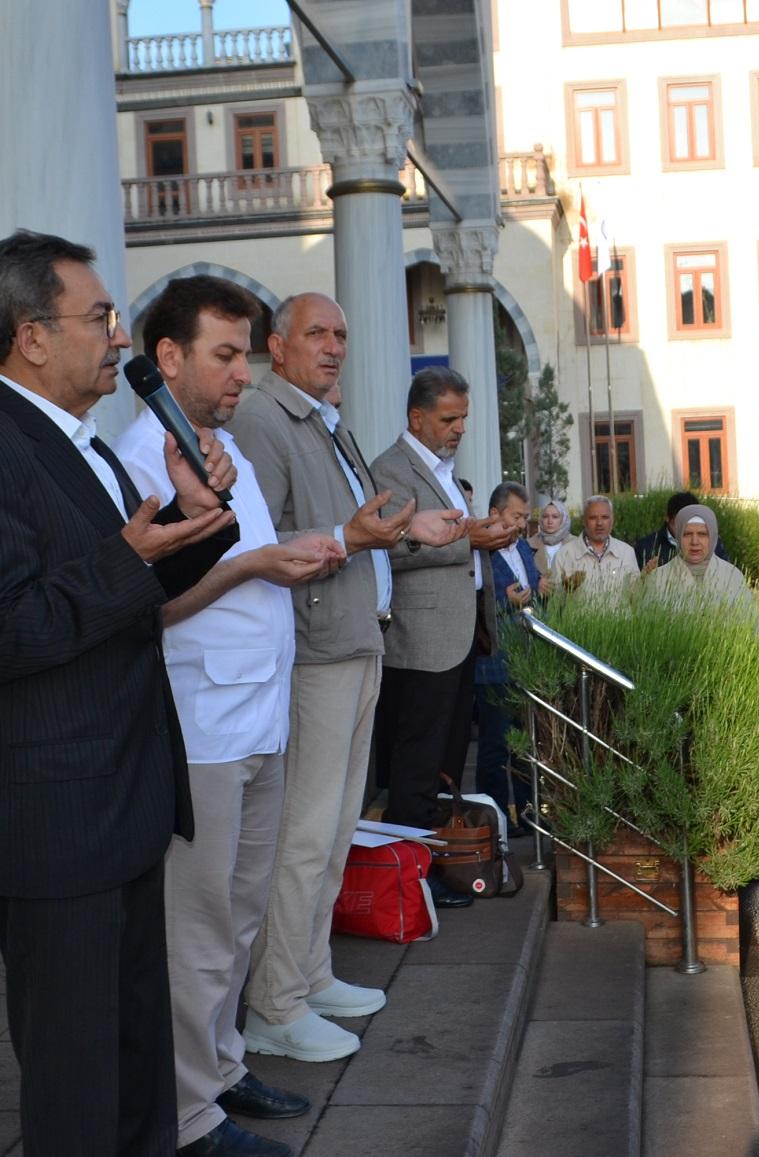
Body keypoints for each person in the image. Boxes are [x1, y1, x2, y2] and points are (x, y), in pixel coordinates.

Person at [0, 232, 238, 1154]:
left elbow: (128, 590)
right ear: (30, 336)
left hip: (121, 798)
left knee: (136, 1058)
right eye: (98, 317)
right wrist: (128, 557)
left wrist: (192, 520)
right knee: (75, 1084)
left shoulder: (74, 442)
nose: (118, 335)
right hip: (56, 820)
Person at [117, 278, 348, 1157]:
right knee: (200, 924)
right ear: (168, 357)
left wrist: (291, 558)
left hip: (258, 714)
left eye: (246, 353)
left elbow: (246, 562)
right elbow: (152, 605)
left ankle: (220, 1064)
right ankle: (185, 1113)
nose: (242, 372)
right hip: (203, 722)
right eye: (224, 353)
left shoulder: (226, 451)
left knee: (240, 915)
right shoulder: (145, 459)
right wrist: (258, 565)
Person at [226, 293, 464, 1064]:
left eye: (342, 334)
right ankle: (274, 1004)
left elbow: (355, 530)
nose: (334, 347)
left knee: (332, 832)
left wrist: (409, 528)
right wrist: (351, 535)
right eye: (317, 334)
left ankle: (310, 973)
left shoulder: (324, 417)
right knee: (302, 835)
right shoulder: (264, 421)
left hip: (355, 642)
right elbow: (250, 540)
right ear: (278, 344)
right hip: (315, 651)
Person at [370, 367, 517, 883]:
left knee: (448, 764)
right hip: (419, 643)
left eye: (464, 419)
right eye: (448, 419)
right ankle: (409, 881)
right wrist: (471, 540)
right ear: (417, 417)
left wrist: (490, 534)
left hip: (460, 638)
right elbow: (386, 549)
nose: (459, 429)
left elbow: (456, 541)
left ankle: (435, 869)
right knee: (415, 769)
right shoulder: (391, 469)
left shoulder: (446, 471)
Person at [476, 481, 543, 822]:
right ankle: (496, 821)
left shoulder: (522, 549)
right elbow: (472, 600)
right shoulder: (478, 553)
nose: (521, 524)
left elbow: (533, 589)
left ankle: (530, 815)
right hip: (492, 666)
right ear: (494, 513)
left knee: (526, 745)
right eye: (516, 516)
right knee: (494, 747)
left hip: (525, 663)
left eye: (525, 517)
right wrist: (505, 599)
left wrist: (542, 589)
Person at [641, 504, 758, 620]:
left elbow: (751, 626)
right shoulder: (658, 578)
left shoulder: (732, 576)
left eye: (702, 534)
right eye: (687, 534)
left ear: (712, 537)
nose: (695, 542)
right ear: (677, 537)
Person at [548, 494, 637, 599]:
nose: (599, 523)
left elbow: (637, 598)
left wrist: (647, 578)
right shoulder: (563, 556)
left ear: (612, 520)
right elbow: (553, 605)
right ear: (584, 520)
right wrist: (566, 590)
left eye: (605, 517)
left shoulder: (627, 552)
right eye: (593, 518)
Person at [634, 490, 731, 570]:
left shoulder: (712, 541)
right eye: (680, 522)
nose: (694, 541)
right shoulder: (647, 546)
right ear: (668, 518)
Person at [532, 496, 571, 572]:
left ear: (563, 519)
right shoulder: (529, 545)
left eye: (555, 517)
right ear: (541, 519)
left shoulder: (575, 543)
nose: (550, 521)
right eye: (545, 516)